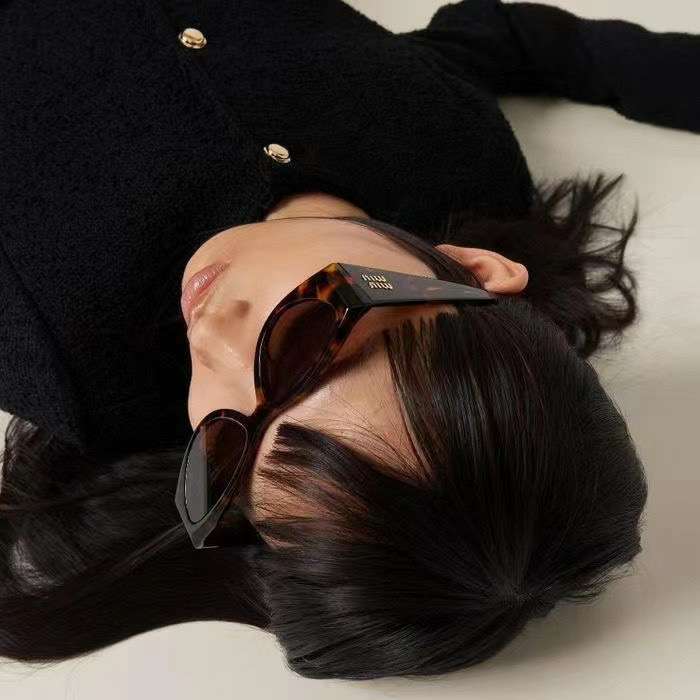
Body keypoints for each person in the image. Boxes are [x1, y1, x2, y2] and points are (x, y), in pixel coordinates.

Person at [2, 0, 696, 680]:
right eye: (306, 343)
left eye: (225, 443)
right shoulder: (455, 155)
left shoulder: (58, 353)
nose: (213, 345)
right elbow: (503, 37)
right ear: (476, 270)